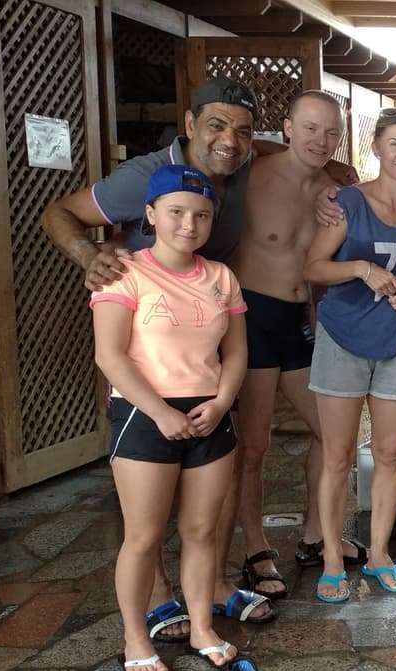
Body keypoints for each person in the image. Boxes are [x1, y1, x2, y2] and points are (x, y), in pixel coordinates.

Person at [41, 77, 276, 633]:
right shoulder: (141, 178)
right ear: (189, 124)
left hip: (204, 340)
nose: (230, 140)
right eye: (216, 125)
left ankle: (211, 588)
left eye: (243, 132)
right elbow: (58, 214)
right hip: (141, 333)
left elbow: (275, 147)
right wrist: (87, 256)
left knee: (205, 490)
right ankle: (156, 595)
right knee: (146, 499)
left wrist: (325, 168)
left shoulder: (238, 165)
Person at [91, 165, 254, 671]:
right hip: (144, 414)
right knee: (143, 535)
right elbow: (110, 357)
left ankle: (202, 626)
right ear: (151, 214)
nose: (189, 223)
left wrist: (223, 402)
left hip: (209, 412)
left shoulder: (221, 277)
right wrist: (160, 412)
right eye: (177, 211)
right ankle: (136, 637)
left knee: (202, 530)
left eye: (201, 214)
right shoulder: (125, 272)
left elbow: (237, 352)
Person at [229, 90, 366, 600]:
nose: (320, 140)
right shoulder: (251, 174)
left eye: (331, 132)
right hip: (253, 317)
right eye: (309, 128)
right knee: (254, 446)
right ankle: (255, 548)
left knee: (334, 438)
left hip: (305, 321)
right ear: (286, 127)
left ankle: (314, 534)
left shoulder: (340, 186)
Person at [302, 107, 396, 601]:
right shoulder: (348, 203)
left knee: (388, 452)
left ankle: (379, 552)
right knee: (337, 457)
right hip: (343, 340)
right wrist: (359, 267)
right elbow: (313, 267)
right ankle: (334, 557)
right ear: (377, 148)